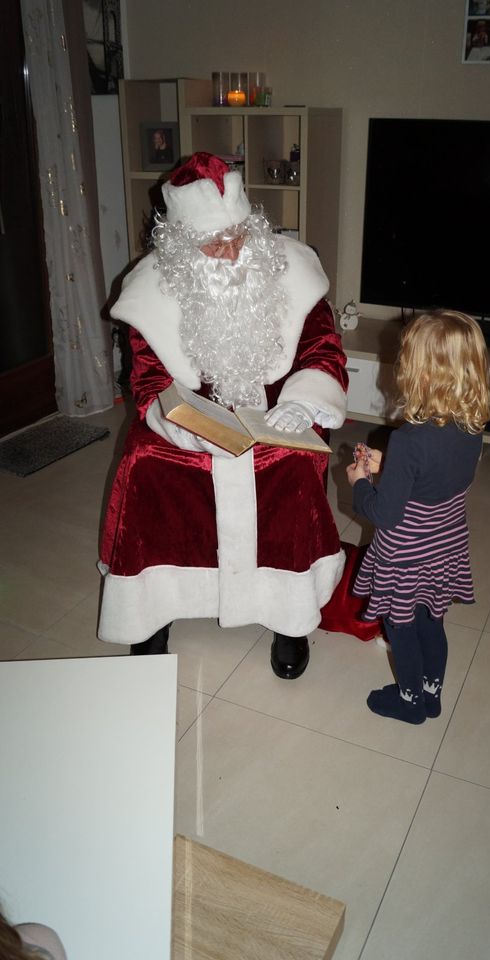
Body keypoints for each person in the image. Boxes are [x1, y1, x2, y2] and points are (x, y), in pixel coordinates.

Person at [98, 151, 348, 679]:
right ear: (182, 247)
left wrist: (301, 402)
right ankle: (153, 611)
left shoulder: (295, 271)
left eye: (238, 235)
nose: (232, 252)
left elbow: (323, 352)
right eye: (214, 243)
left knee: (292, 465)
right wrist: (185, 428)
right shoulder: (147, 294)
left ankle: (289, 616)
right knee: (146, 464)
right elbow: (147, 382)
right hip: (190, 419)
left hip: (277, 408)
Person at [346, 310, 490, 723]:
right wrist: (387, 466)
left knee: (400, 626)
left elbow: (384, 514)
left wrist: (360, 482)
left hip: (405, 553)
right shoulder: (472, 426)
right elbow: (435, 477)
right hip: (444, 545)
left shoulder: (408, 440)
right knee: (432, 619)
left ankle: (410, 701)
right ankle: (432, 693)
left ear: (422, 376)